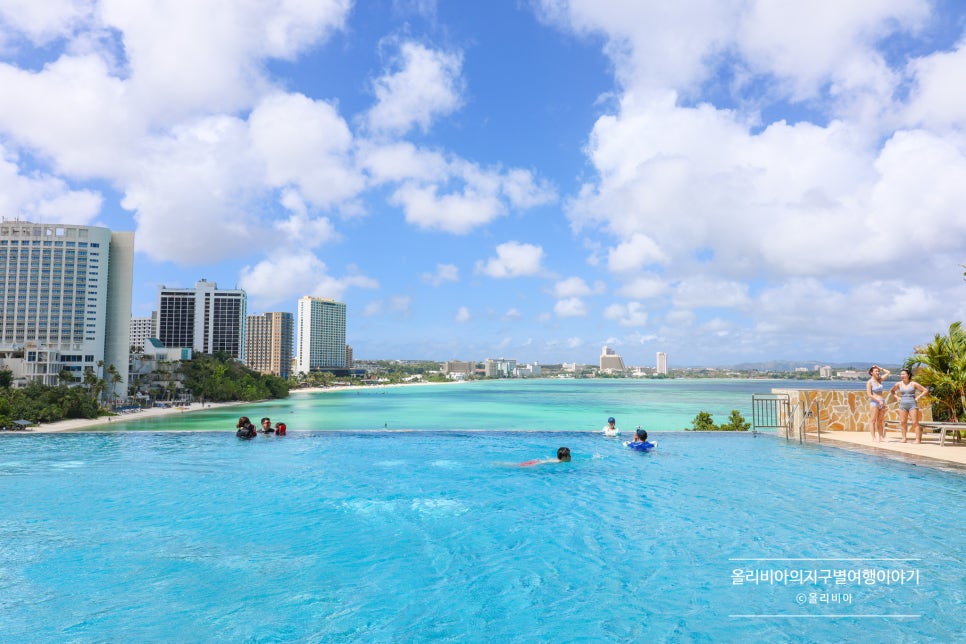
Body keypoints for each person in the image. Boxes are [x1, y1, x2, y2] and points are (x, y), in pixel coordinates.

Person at [889, 368, 929, 443]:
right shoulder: (898, 384)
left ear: (908, 375)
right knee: (903, 422)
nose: (902, 375)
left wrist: (918, 397)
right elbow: (892, 391)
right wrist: (897, 398)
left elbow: (925, 390)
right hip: (902, 404)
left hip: (912, 404)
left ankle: (917, 439)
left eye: (903, 374)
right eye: (901, 374)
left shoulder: (913, 384)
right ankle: (904, 438)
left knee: (915, 422)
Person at [866, 365, 891, 442]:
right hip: (875, 403)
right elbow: (869, 394)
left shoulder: (880, 380)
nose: (877, 372)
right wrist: (878, 401)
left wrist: (879, 367)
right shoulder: (870, 382)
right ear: (871, 373)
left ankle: (881, 437)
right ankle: (873, 437)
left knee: (880, 421)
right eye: (876, 371)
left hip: (882, 402)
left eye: (878, 371)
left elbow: (888, 372)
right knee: (873, 420)